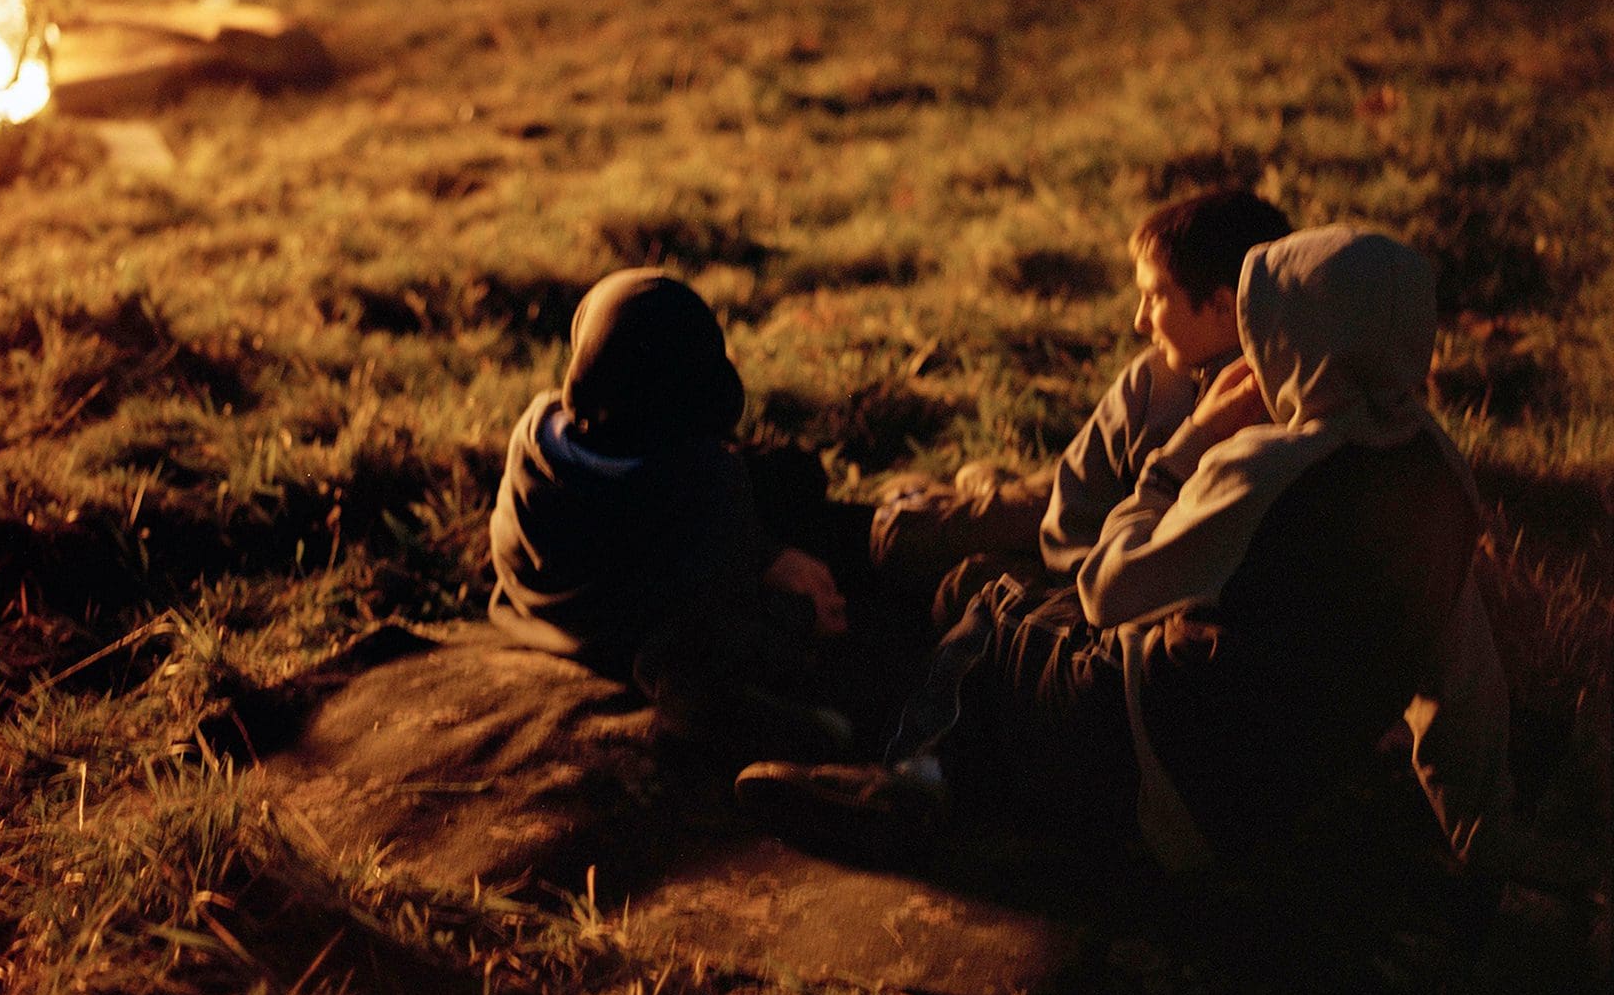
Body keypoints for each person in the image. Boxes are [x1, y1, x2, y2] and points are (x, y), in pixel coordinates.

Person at [738, 226, 1513, 880]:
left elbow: (1104, 589)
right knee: (1031, 633)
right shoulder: (1439, 473)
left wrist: (1188, 449)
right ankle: (968, 768)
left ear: (1298, 338)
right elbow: (1462, 677)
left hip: (1161, 777)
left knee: (989, 601)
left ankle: (907, 779)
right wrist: (1479, 834)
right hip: (1262, 804)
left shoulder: (1273, 466)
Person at [870, 187, 1292, 617]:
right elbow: (1070, 509)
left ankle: (977, 486)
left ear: (1222, 306)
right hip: (1078, 523)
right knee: (907, 536)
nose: (1140, 321)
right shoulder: (1154, 379)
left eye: (1155, 296)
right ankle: (953, 494)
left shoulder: (1285, 405)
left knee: (965, 584)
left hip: (1110, 560)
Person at [488, 268, 852, 761]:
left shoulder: (534, 440)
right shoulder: (704, 485)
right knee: (797, 506)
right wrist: (797, 601)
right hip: (642, 634)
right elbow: (713, 586)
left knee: (783, 477)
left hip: (542, 612)